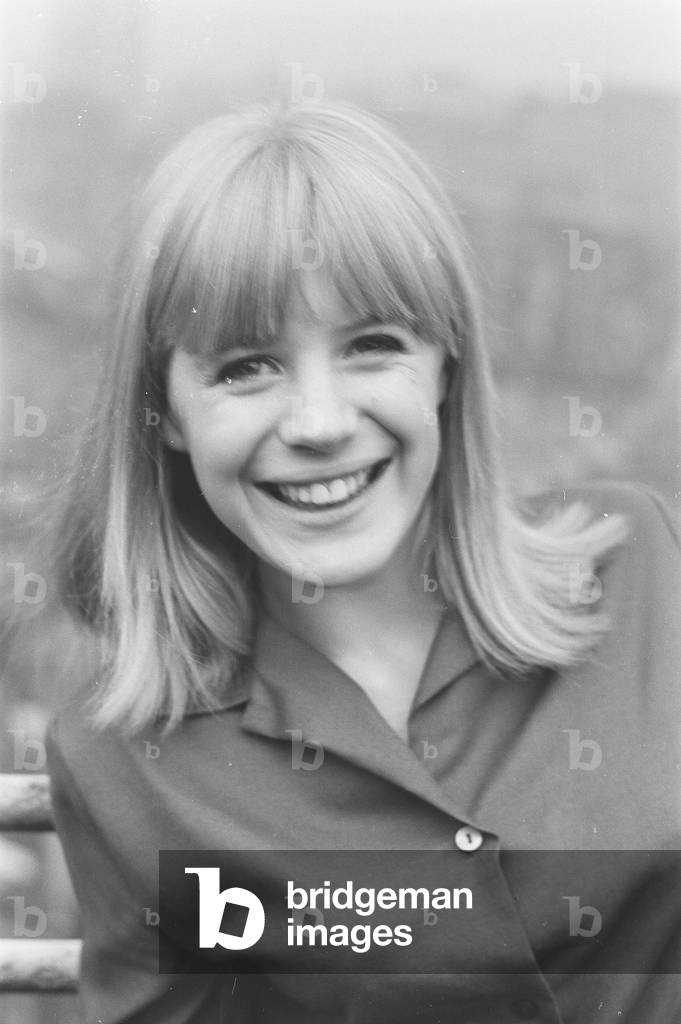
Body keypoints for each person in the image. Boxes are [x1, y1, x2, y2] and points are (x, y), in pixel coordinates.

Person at [43, 99, 680, 1024]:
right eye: (245, 365)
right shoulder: (125, 764)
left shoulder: (649, 574)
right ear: (167, 414)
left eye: (372, 346)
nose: (319, 423)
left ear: (445, 366)